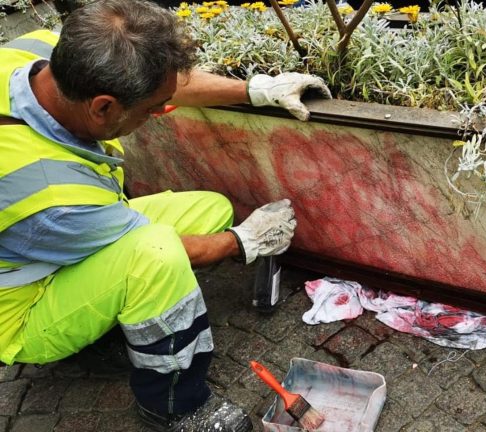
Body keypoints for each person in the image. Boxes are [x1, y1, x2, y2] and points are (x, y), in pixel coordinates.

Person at [0, 0, 331, 430]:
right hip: (24, 306)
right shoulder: (50, 196)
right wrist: (245, 242)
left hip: (56, 239)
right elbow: (164, 249)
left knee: (211, 210)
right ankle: (175, 402)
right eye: (151, 110)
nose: (160, 114)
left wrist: (256, 89)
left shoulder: (38, 56)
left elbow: (162, 85)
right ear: (102, 107)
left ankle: (112, 322)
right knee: (157, 257)